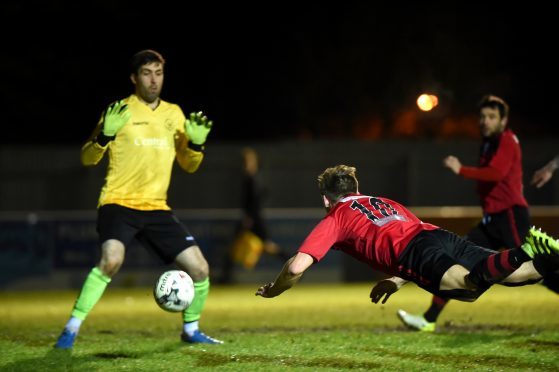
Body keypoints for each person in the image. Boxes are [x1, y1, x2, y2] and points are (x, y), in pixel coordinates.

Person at [54, 49, 222, 349]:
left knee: (200, 268)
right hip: (118, 203)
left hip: (157, 208)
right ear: (134, 78)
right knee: (111, 260)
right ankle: (71, 329)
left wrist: (196, 144)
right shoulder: (119, 111)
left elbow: (189, 165)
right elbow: (87, 158)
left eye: (158, 72)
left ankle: (191, 330)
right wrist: (104, 136)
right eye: (147, 73)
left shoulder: (174, 114)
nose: (154, 79)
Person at [255, 165, 559, 310]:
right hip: (436, 235)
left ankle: (525, 249)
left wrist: (275, 290)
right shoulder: (384, 201)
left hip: (415, 252)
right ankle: (550, 257)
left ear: (325, 199)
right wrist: (397, 279)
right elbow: (414, 234)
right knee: (513, 274)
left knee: (469, 287)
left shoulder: (336, 217)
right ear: (357, 189)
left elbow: (296, 267)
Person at [397, 95, 534, 332]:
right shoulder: (489, 143)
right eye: (482, 117)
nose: (485, 121)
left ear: (504, 120)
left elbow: (496, 173)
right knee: (455, 259)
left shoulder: (507, 140)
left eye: (491, 117)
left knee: (535, 268)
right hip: (492, 220)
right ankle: (428, 319)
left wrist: (461, 170)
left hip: (510, 215)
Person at [219, 147, 289, 283]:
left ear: (254, 162)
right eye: (245, 161)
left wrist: (249, 217)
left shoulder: (253, 178)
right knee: (236, 247)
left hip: (253, 219)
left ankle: (294, 266)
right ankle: (226, 278)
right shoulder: (252, 177)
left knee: (267, 246)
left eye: (248, 161)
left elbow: (256, 198)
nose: (245, 164)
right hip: (253, 218)